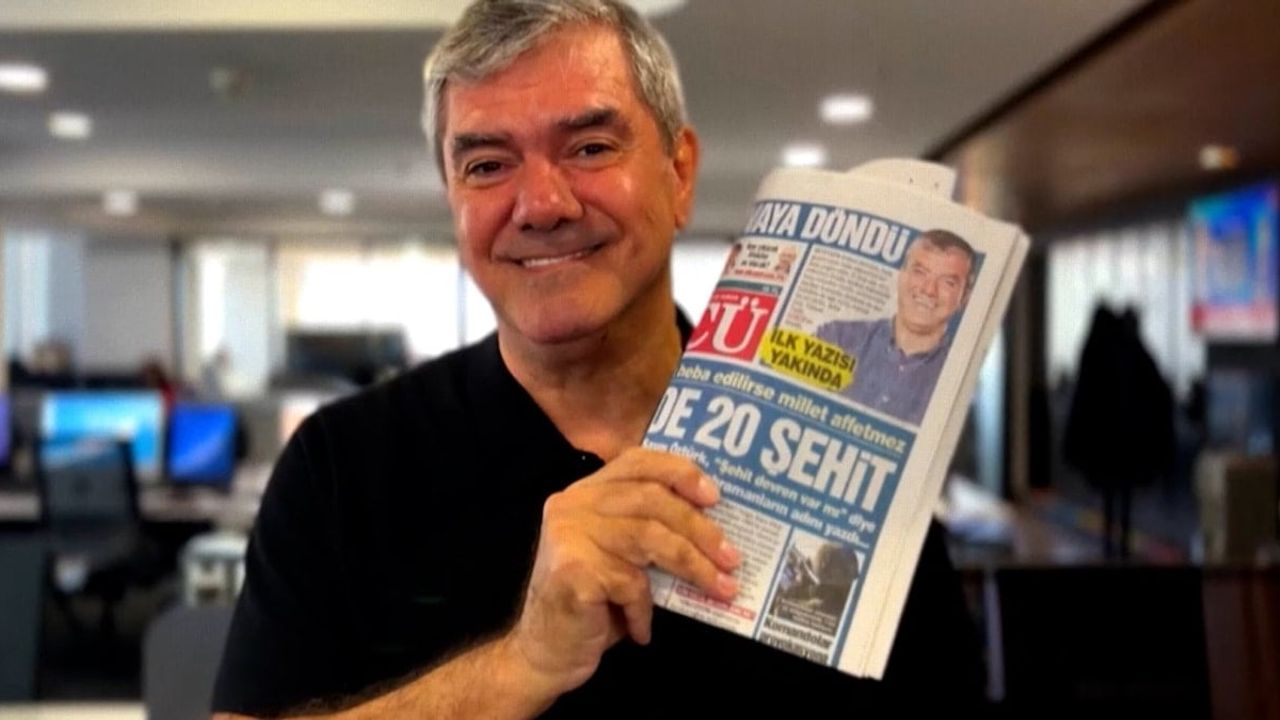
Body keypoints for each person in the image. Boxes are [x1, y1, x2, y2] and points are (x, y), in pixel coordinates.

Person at [212, 2, 985, 717]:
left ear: (680, 174)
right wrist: (519, 665)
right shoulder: (339, 469)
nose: (542, 205)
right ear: (452, 198)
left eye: (589, 147)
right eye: (487, 165)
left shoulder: (856, 478)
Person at [816, 230, 975, 425]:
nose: (928, 290)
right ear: (901, 275)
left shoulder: (960, 382)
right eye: (920, 272)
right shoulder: (836, 337)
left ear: (964, 298)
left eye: (948, 283)